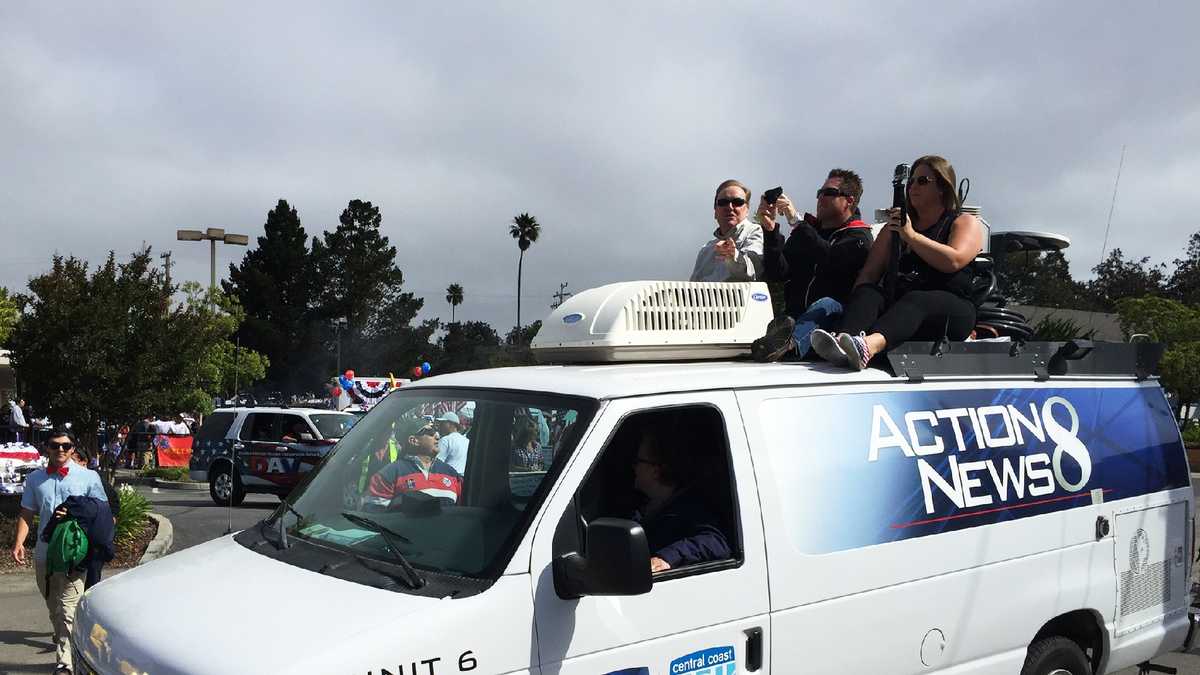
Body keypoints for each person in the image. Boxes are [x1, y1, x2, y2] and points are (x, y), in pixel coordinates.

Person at [812, 155, 984, 370]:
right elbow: (869, 275)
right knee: (869, 292)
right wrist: (856, 306)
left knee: (918, 299)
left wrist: (911, 236)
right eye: (911, 181)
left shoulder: (964, 222)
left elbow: (953, 260)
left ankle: (868, 346)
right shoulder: (891, 230)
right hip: (902, 312)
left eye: (922, 181)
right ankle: (843, 342)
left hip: (951, 312)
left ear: (942, 187)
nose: (912, 186)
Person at [11, 430, 108, 674]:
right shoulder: (35, 479)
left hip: (74, 553)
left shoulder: (89, 477)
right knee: (53, 604)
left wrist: (78, 514)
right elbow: (27, 513)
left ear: (73, 449)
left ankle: (65, 662)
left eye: (66, 445)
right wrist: (19, 543)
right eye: (55, 446)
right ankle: (62, 636)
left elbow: (104, 514)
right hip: (45, 552)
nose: (61, 450)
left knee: (68, 607)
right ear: (47, 448)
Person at [751, 170, 874, 361]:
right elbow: (779, 272)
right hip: (796, 316)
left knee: (826, 303)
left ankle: (790, 347)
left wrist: (796, 222)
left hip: (835, 323)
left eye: (829, 193)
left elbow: (831, 259)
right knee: (791, 318)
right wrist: (770, 231)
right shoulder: (808, 232)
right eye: (819, 192)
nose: (820, 198)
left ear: (849, 200)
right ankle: (782, 340)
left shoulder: (859, 236)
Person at [630, 427, 730, 573]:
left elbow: (717, 543)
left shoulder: (692, 507)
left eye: (638, 461)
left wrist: (667, 557)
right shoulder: (640, 504)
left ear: (656, 471)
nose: (633, 467)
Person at [365, 418, 462, 507]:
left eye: (436, 431)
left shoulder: (452, 475)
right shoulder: (388, 475)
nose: (437, 436)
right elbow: (374, 516)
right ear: (413, 440)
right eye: (430, 432)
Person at [689, 180, 764, 282]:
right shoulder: (706, 250)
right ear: (715, 211)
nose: (729, 207)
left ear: (747, 210)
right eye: (723, 202)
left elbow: (754, 270)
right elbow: (693, 287)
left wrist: (734, 257)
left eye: (737, 202)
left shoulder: (755, 231)